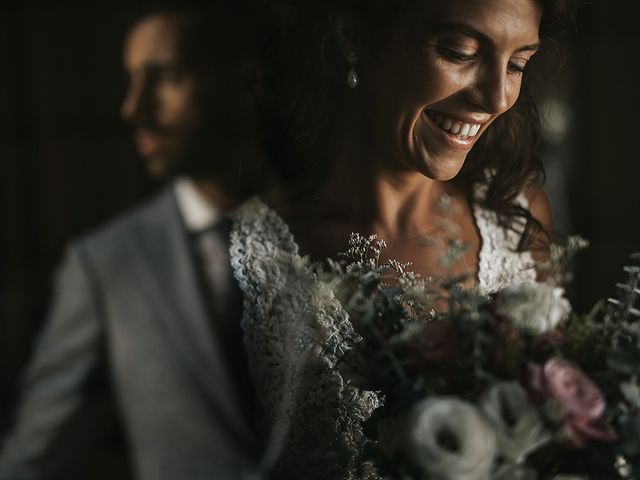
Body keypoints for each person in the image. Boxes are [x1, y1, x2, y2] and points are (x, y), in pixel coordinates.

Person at [230, 0, 574, 478]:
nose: (497, 97)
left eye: (518, 64)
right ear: (354, 34)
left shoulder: (517, 215)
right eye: (460, 52)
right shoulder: (242, 254)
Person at [0, 4, 267, 480]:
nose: (133, 109)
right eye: (131, 79)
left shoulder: (337, 225)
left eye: (164, 77)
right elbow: (33, 461)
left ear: (248, 84)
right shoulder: (104, 264)